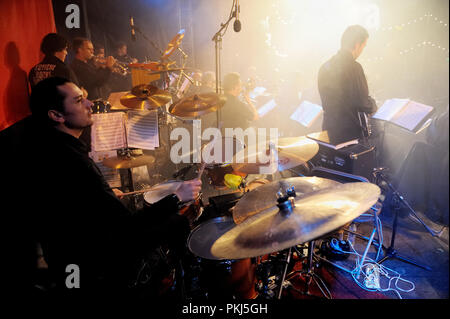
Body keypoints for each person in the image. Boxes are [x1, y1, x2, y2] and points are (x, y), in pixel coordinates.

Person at [25, 77, 202, 296]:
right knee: (177, 221)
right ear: (56, 115)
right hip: (97, 260)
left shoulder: (49, 149)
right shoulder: (75, 162)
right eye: (79, 100)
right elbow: (128, 228)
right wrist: (176, 197)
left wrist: (105, 197)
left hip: (66, 255)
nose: (90, 104)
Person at [318, 25, 377, 142]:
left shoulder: (324, 67)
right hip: (348, 135)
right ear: (357, 45)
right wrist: (374, 105)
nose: (362, 51)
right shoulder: (354, 68)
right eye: (363, 46)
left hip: (328, 130)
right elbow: (362, 102)